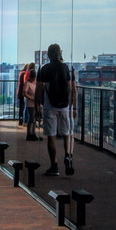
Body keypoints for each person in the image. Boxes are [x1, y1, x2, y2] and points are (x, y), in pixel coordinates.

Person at [37, 43, 75, 176]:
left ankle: (54, 166)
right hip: (64, 105)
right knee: (66, 133)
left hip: (49, 105)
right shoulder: (65, 68)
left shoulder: (45, 69)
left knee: (51, 136)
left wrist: (38, 105)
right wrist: (70, 105)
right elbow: (70, 87)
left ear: (49, 55)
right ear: (59, 54)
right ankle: (67, 155)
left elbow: (39, 89)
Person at [19, 62, 39, 141]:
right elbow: (24, 93)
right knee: (32, 119)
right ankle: (30, 133)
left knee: (34, 119)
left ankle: (33, 133)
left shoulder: (35, 82)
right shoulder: (27, 83)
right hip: (31, 103)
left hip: (35, 103)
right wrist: (32, 98)